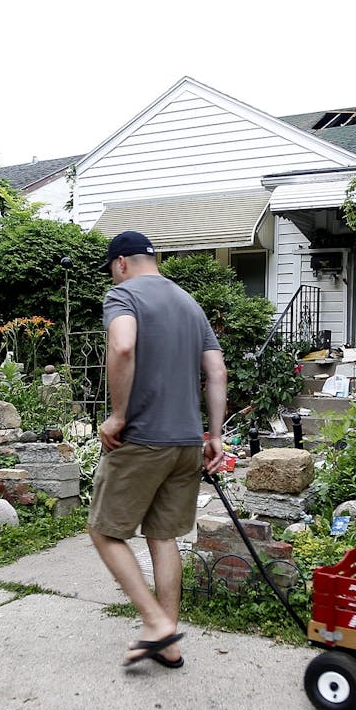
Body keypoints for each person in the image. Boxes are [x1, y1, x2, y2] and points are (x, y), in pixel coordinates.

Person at [87, 231, 228, 669]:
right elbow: (217, 370)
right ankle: (169, 642)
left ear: (123, 262)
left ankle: (154, 622)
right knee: (162, 536)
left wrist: (117, 415)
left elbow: (123, 345)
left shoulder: (123, 296)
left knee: (104, 531)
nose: (113, 275)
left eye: (112, 268)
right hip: (187, 443)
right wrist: (215, 435)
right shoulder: (189, 303)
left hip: (143, 439)